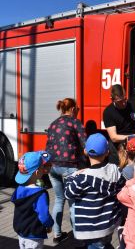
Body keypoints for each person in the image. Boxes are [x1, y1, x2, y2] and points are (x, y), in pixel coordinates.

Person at [64, 133, 125, 249]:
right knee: (105, 243)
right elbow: (121, 187)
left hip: (91, 230)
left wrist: (71, 177)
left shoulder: (83, 178)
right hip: (109, 224)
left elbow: (68, 193)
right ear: (107, 152)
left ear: (85, 151)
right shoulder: (115, 170)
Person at [46, 98, 86, 244]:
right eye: (78, 109)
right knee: (73, 202)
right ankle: (78, 239)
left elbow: (48, 147)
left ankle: (57, 235)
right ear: (74, 109)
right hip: (69, 166)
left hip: (52, 167)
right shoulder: (75, 122)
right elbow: (86, 145)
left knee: (59, 199)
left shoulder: (52, 124)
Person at [11, 151, 54, 249]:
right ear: (37, 172)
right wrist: (50, 224)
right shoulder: (40, 194)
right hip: (33, 235)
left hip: (21, 231)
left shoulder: (19, 188)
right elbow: (44, 216)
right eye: (42, 167)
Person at [103, 84, 135, 164]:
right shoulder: (108, 112)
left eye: (124, 99)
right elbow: (114, 137)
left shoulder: (133, 105)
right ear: (112, 99)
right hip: (118, 149)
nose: (123, 103)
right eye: (119, 101)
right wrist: (134, 136)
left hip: (133, 144)